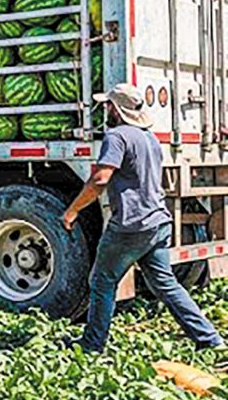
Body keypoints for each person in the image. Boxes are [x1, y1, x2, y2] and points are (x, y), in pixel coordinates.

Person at [63, 83, 224, 353]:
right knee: (166, 285)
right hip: (157, 221)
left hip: (131, 225)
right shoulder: (149, 137)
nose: (105, 108)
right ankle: (210, 340)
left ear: (116, 109)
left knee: (102, 281)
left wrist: (73, 210)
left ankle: (92, 345)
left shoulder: (116, 136)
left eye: (108, 105)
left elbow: (100, 179)